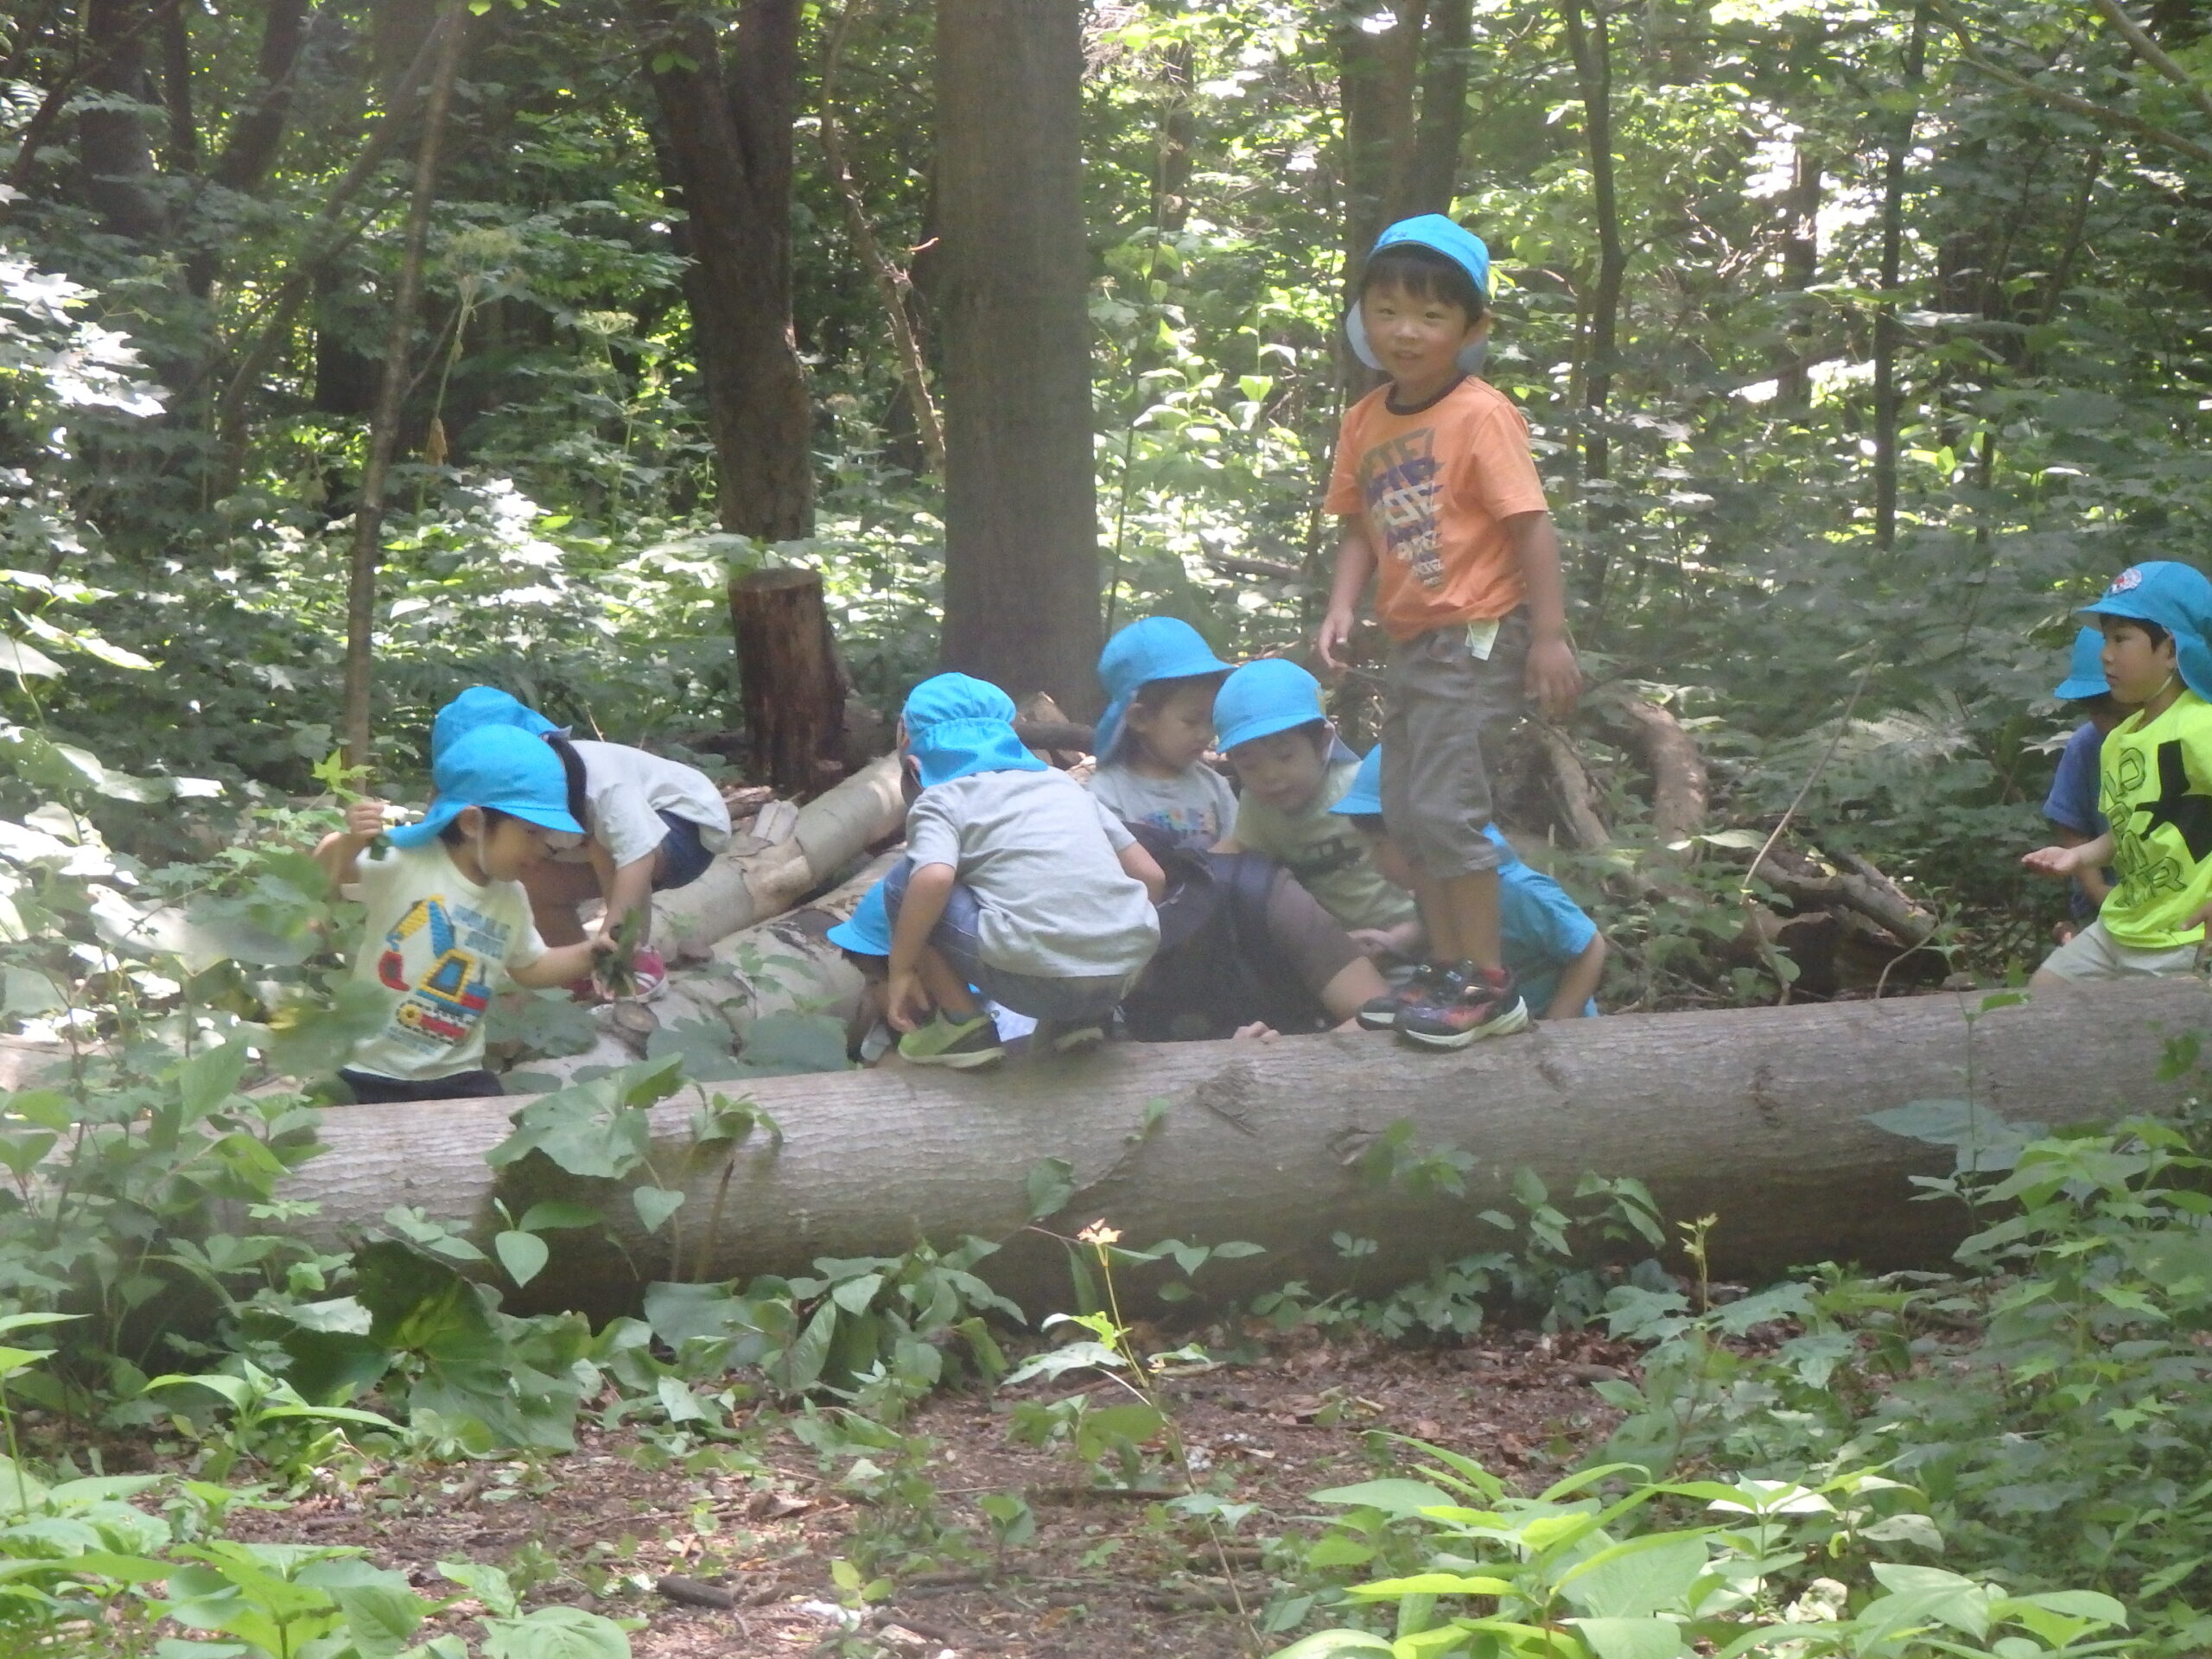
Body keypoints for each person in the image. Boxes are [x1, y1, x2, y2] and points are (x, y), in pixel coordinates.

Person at [1315, 214, 1581, 1049]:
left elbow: (1531, 524)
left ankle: (1488, 984)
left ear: (1471, 330)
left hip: (1476, 632)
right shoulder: (1367, 419)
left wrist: (1550, 634)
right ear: (1364, 315)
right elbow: (1360, 524)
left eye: (1431, 316)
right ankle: (1443, 969)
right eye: (1388, 309)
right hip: (1412, 640)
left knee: (1445, 809)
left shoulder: (1481, 414)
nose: (1406, 330)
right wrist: (1341, 606)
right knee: (1403, 807)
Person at [315, 725, 610, 1103]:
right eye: (531, 833)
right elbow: (325, 876)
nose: (543, 850)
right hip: (368, 1069)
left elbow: (532, 967)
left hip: (457, 1075)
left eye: (547, 836)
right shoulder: (407, 863)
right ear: (473, 823)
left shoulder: (511, 896)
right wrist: (350, 841)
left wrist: (594, 953)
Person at [886, 673, 1164, 1068]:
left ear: (913, 761)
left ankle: (962, 1025)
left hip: (1033, 980)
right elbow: (1151, 876)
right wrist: (1110, 940)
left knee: (905, 880)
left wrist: (900, 969)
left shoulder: (943, 796)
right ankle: (1078, 1021)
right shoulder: (1064, 786)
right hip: (1121, 978)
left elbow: (934, 879)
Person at [429, 687, 733, 999]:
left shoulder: (601, 783)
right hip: (601, 841)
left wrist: (615, 934)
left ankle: (631, 960)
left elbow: (637, 854)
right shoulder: (512, 802)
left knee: (607, 846)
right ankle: (580, 973)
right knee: (532, 873)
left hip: (687, 830)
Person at [2023, 563, 2212, 983]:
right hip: (2121, 926)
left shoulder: (2201, 726)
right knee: (2044, 991)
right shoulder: (2122, 737)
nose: (2105, 654)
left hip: (2180, 940)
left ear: (2171, 650)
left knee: (2158, 1044)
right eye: (2106, 638)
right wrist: (2079, 856)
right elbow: (2132, 828)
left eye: (2122, 639)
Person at [1330, 746, 1605, 1021]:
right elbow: (1450, 931)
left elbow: (1589, 947)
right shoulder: (1434, 891)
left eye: (1379, 845)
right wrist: (1395, 940)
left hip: (1548, 1026)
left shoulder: (1514, 892)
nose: (1374, 860)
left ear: (1425, 835)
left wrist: (1558, 1023)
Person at [1212, 658, 1421, 958]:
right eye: (1249, 765)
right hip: (1334, 951)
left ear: (1324, 741)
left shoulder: (1361, 789)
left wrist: (1402, 937)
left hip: (1410, 932)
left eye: (1285, 756)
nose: (1269, 777)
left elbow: (1430, 874)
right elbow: (1245, 865)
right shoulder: (1257, 807)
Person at [825, 879, 1038, 1063]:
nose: (868, 995)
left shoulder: (1010, 1023)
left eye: (874, 982)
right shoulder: (898, 1025)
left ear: (924, 971)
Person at [1087, 617, 1239, 848]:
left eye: (1211, 720)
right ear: (1141, 718)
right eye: (1191, 721)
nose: (1205, 734)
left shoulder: (1215, 788)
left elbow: (1240, 859)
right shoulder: (1106, 795)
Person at [2041, 626, 2133, 934]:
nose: (2110, 725)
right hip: (2104, 906)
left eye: (2121, 715)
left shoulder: (2186, 741)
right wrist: (2098, 892)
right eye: (2097, 712)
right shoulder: (2086, 746)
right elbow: (2073, 825)